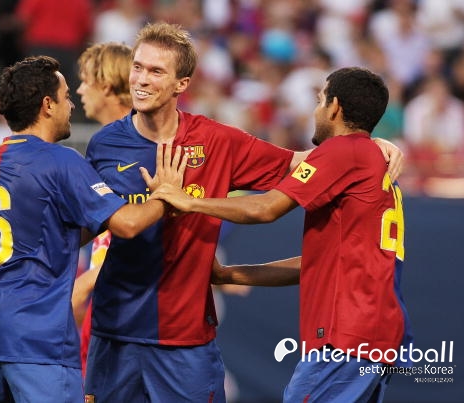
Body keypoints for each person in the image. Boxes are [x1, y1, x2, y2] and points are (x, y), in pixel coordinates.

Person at [84, 22, 404, 402]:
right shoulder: (103, 145)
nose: (141, 79)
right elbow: (85, 224)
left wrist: (369, 142)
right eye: (138, 67)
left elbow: (301, 162)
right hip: (114, 331)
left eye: (156, 71)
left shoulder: (217, 140)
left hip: (184, 339)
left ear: (182, 83)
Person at [151, 66, 412, 403]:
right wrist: (228, 275)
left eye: (319, 100)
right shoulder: (373, 162)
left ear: (335, 107)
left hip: (346, 336)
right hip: (375, 337)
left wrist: (188, 202)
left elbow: (266, 208)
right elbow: (314, 265)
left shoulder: (344, 151)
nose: (315, 111)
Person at [0, 55, 186, 403]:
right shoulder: (61, 160)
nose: (72, 103)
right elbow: (127, 225)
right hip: (38, 339)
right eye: (65, 96)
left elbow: (46, 233)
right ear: (47, 105)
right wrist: (165, 196)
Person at [72, 42, 133, 376]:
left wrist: (89, 280)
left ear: (107, 84)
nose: (80, 90)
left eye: (86, 80)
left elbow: (152, 229)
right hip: (106, 301)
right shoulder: (103, 144)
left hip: (133, 306)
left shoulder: (142, 144)